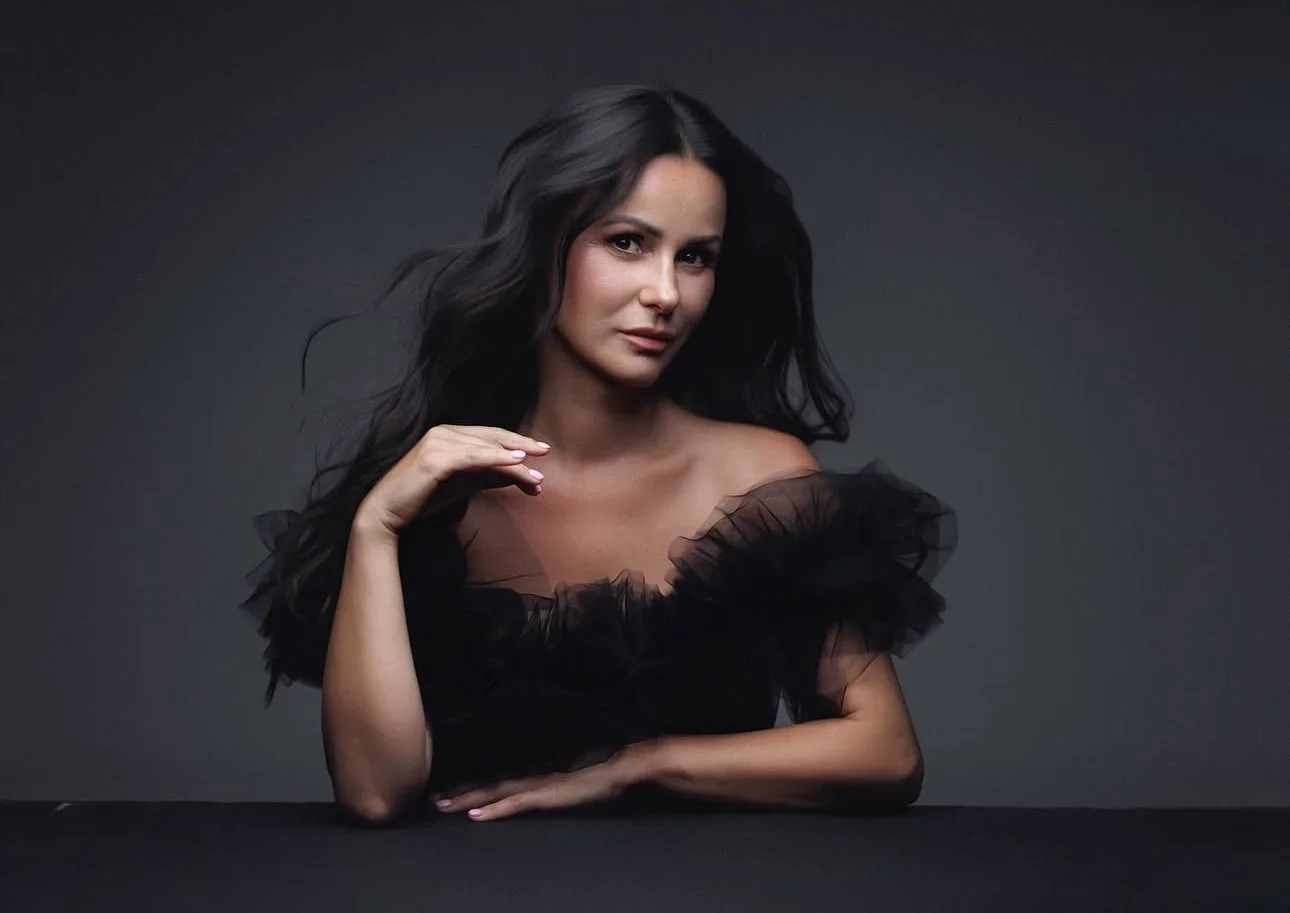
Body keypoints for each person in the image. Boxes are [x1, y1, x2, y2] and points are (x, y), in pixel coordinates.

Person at [240, 83, 959, 826]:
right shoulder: (439, 488)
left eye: (696, 257)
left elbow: (885, 754)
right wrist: (376, 528)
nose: (665, 293)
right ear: (547, 246)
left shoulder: (760, 477)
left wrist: (639, 766)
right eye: (628, 242)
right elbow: (374, 792)